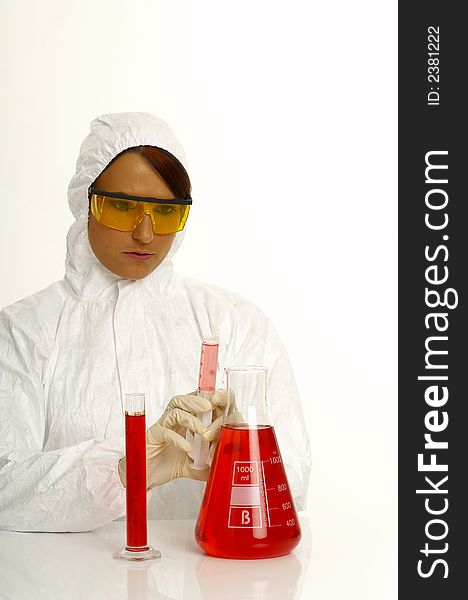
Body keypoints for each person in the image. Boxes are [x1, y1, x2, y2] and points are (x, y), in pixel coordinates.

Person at [0, 112, 311, 532]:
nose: (145, 233)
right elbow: (5, 488)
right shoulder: (23, 331)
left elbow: (291, 486)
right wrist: (125, 468)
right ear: (85, 201)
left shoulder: (234, 323)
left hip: (208, 585)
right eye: (123, 206)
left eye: (164, 211)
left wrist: (238, 454)